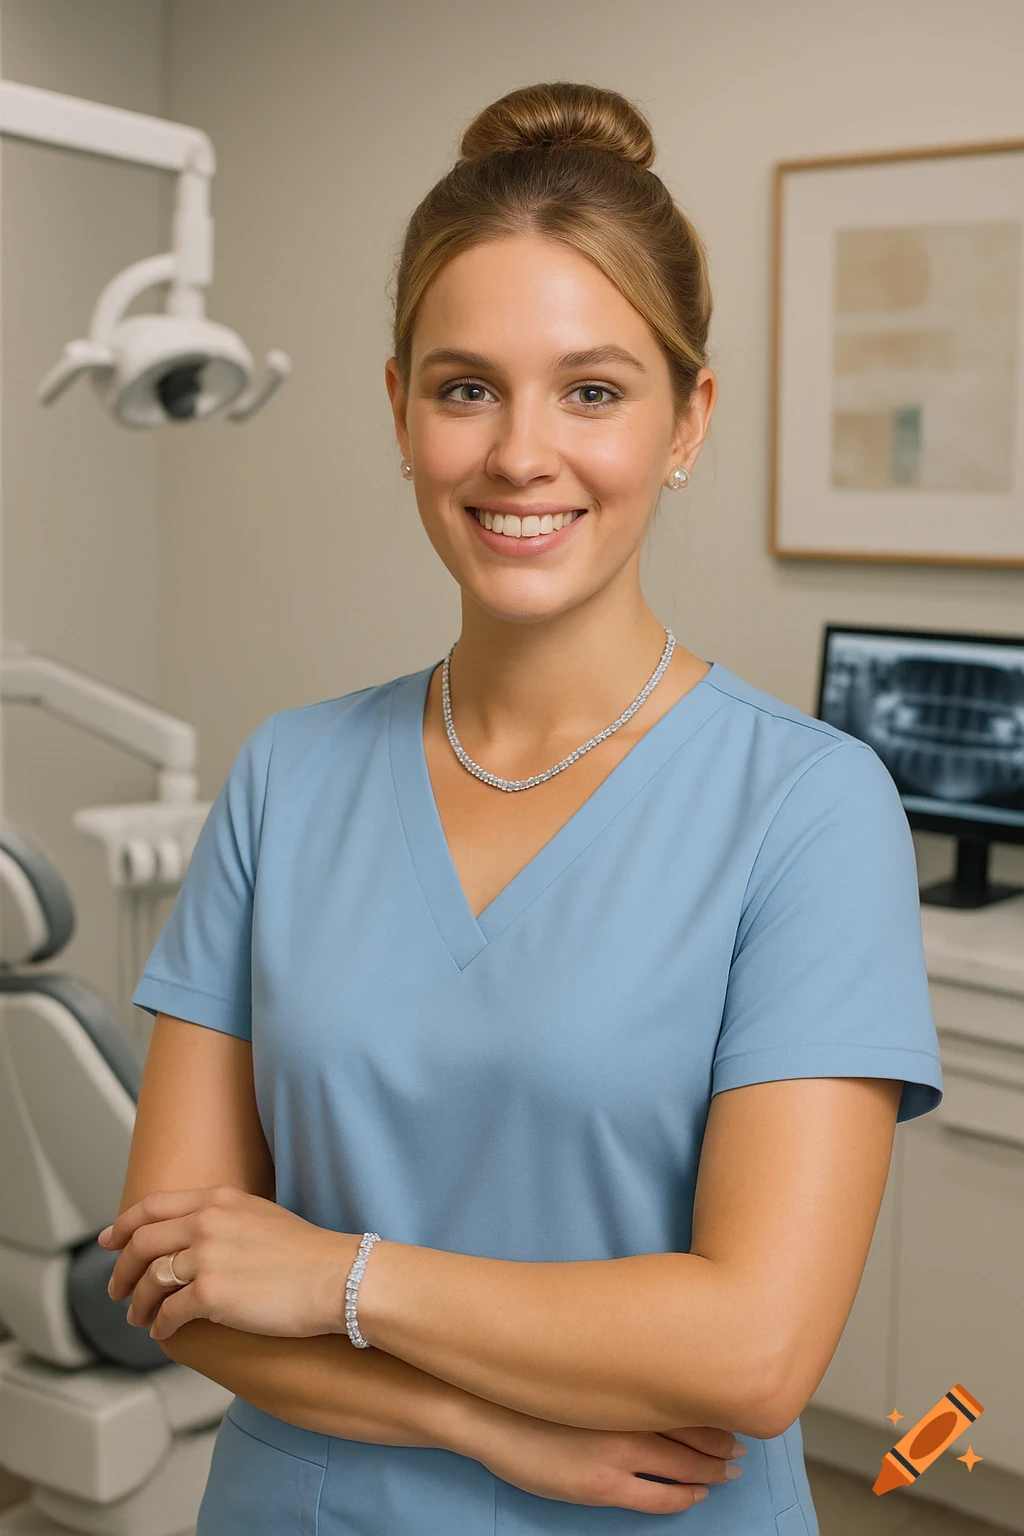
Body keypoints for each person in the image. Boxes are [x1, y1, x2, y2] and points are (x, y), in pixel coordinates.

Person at [101, 81, 943, 1534]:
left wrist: (337, 1276)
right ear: (401, 409)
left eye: (595, 390)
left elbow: (754, 1349)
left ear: (689, 421)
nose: (518, 455)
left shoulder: (808, 808)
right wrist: (479, 1423)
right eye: (466, 385)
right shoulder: (288, 778)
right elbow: (175, 1283)